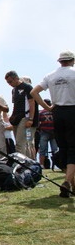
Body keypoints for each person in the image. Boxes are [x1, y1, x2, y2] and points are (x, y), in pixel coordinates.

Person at [31, 50, 75, 198]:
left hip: (57, 112)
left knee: (63, 147)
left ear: (60, 61)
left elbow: (34, 92)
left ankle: (71, 185)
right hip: (72, 110)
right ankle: (67, 181)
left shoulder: (51, 75)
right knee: (73, 149)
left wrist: (47, 107)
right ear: (72, 60)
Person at [5, 70, 38, 159]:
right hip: (16, 119)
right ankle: (26, 162)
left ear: (16, 78)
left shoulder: (27, 87)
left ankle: (22, 163)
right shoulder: (14, 90)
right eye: (8, 82)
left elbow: (32, 103)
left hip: (25, 118)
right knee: (21, 143)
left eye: (10, 81)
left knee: (22, 143)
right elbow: (15, 104)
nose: (10, 84)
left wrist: (31, 119)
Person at [37, 99, 58, 169]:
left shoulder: (41, 113)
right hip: (54, 132)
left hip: (44, 132)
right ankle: (56, 164)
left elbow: (38, 124)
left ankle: (41, 164)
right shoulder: (54, 112)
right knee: (55, 150)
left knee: (42, 150)